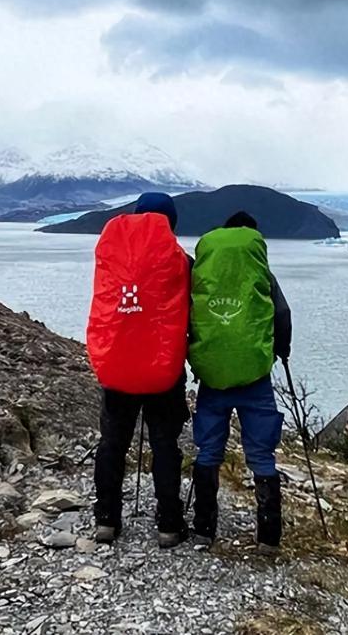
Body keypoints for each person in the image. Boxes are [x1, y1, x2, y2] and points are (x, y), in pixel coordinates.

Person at [87, 192, 191, 548]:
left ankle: (106, 520)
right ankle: (169, 525)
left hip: (117, 365)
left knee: (113, 444)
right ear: (169, 221)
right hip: (163, 370)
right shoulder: (180, 260)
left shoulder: (111, 254)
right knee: (164, 446)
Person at [188, 211, 292, 554]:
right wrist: (281, 350)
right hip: (255, 375)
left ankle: (203, 530)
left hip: (214, 374)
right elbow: (281, 315)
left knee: (209, 450)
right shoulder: (262, 274)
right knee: (261, 454)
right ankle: (268, 537)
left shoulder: (202, 272)